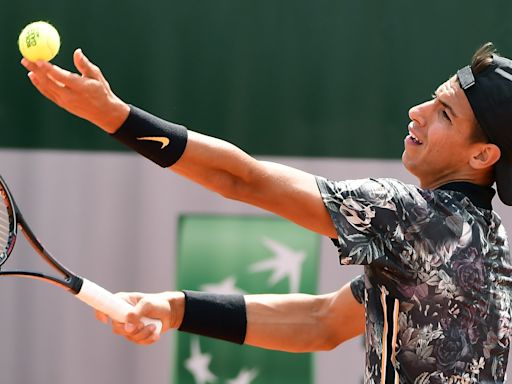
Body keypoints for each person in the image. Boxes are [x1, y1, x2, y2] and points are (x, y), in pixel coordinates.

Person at [21, 42, 512, 383]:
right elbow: (322, 322)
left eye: (444, 113)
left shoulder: (415, 218)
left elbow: (243, 179)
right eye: (434, 98)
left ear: (482, 156)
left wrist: (117, 117)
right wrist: (176, 309)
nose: (418, 111)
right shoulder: (489, 242)